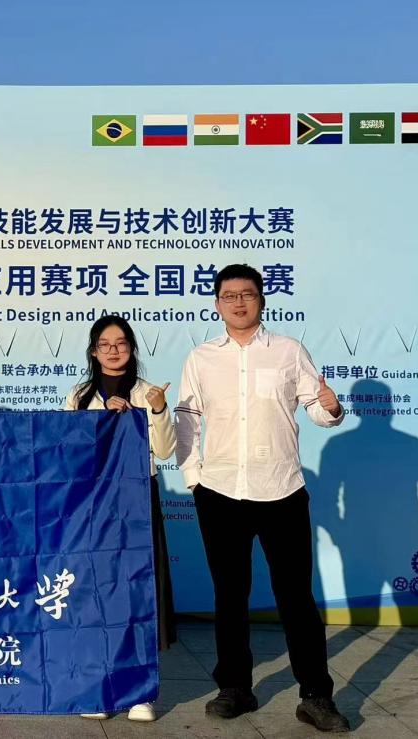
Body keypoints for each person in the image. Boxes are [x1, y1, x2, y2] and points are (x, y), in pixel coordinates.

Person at [174, 264, 350, 733]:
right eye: (229, 295)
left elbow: (316, 407)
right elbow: (188, 420)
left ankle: (315, 696)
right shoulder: (201, 357)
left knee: (296, 598)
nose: (238, 302)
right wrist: (194, 478)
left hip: (281, 490)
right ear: (217, 303)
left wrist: (332, 408)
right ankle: (235, 688)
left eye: (247, 294)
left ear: (262, 300)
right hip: (220, 491)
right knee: (230, 596)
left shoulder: (289, 351)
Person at [67, 315, 175, 724]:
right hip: (95, 505)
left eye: (121, 343)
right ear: (94, 352)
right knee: (97, 594)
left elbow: (165, 450)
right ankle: (100, 687)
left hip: (137, 501)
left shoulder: (149, 392)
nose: (114, 350)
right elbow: (69, 451)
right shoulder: (79, 396)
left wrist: (157, 411)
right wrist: (101, 422)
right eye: (105, 344)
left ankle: (140, 692)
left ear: (132, 349)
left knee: (137, 593)